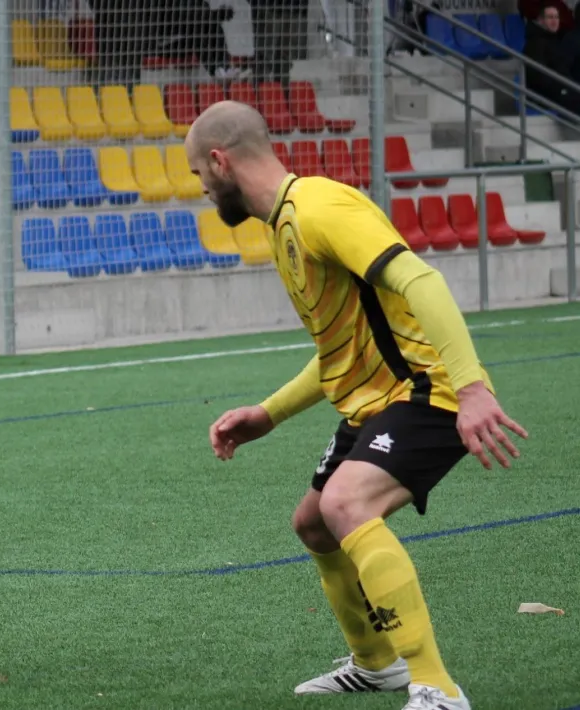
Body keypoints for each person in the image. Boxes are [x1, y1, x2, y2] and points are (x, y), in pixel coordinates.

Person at [184, 101, 527, 710]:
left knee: (346, 503)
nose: (202, 189)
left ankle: (438, 688)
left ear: (220, 160)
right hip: (378, 402)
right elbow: (339, 348)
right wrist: (269, 413)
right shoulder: (282, 226)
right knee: (314, 523)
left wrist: (472, 388)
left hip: (430, 389)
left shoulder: (320, 206)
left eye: (199, 175)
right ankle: (376, 664)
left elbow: (422, 280)